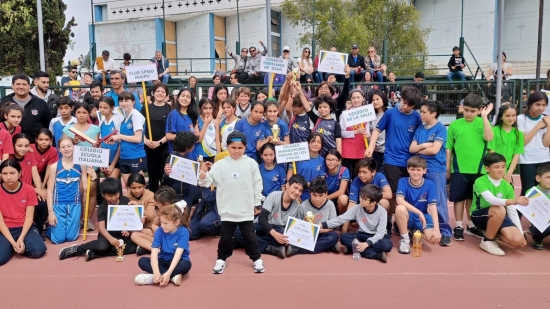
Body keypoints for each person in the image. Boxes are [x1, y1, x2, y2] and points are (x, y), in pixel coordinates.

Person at [198, 131, 264, 274]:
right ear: (227, 147)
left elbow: (257, 184)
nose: (237, 151)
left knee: (249, 235)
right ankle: (221, 259)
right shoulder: (220, 165)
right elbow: (208, 181)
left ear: (245, 147)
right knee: (226, 237)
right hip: (227, 208)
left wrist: (257, 203)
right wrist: (203, 176)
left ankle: (257, 259)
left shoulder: (252, 163)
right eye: (233, 147)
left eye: (240, 148)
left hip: (245, 208)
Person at [366, 87, 422, 235]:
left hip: (410, 162)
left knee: (406, 194)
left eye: (408, 105)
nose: (404, 106)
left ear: (414, 106)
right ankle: (390, 222)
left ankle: (402, 220)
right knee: (395, 193)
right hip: (391, 159)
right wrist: (371, 147)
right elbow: (377, 130)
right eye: (403, 102)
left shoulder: (416, 117)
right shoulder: (390, 113)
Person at [446, 94, 494, 241]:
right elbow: (449, 148)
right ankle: (459, 226)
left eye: (473, 111)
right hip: (459, 169)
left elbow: (489, 138)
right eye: (466, 110)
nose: (468, 113)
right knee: (459, 199)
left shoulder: (483, 123)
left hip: (479, 169)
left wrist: (485, 117)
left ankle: (471, 225)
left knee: (472, 199)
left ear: (480, 110)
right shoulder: (455, 125)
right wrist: (448, 167)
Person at [58, 178, 138, 261]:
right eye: (110, 196)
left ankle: (96, 253)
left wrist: (128, 229)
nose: (113, 198)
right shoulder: (102, 207)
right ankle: (77, 249)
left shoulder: (126, 201)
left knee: (133, 247)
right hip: (107, 234)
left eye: (116, 195)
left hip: (123, 234)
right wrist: (110, 239)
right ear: (103, 195)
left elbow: (132, 219)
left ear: (119, 192)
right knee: (102, 246)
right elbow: (101, 228)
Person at [409, 100, 451, 246]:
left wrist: (420, 149)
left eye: (424, 112)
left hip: (435, 169)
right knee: (417, 199)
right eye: (421, 111)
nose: (421, 114)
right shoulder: (420, 129)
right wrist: (425, 145)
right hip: (419, 169)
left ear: (433, 114)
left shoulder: (440, 129)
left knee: (438, 201)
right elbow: (411, 149)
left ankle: (445, 232)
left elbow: (435, 150)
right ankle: (416, 226)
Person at [235, 174, 307, 259]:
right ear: (287, 185)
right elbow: (262, 218)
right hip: (261, 226)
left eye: (300, 190)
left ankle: (245, 241)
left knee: (284, 238)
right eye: (295, 188)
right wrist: (274, 234)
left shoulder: (297, 207)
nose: (297, 192)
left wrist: (305, 222)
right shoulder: (274, 196)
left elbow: (293, 230)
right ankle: (268, 248)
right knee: (238, 230)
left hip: (278, 229)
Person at [471, 153, 527, 256]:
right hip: (479, 215)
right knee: (500, 209)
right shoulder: (480, 181)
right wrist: (514, 201)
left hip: (498, 216)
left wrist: (521, 233)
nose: (501, 170)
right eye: (496, 167)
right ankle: (487, 241)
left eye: (503, 166)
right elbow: (492, 200)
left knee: (518, 241)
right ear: (487, 168)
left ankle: (489, 231)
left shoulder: (507, 186)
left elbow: (512, 211)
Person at [322, 184, 392, 263]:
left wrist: (367, 244)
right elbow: (340, 219)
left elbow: (380, 233)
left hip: (378, 237)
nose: (361, 199)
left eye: (364, 199)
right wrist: (322, 225)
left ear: (373, 203)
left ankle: (353, 249)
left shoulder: (382, 212)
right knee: (344, 237)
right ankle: (375, 255)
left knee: (387, 245)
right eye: (360, 197)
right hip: (362, 235)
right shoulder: (357, 208)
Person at [46, 136, 92, 244]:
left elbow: (86, 188)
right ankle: (50, 229)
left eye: (69, 146)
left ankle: (64, 227)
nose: (66, 149)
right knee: (59, 240)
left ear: (74, 147)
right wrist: (50, 212)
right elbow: (49, 191)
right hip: (58, 205)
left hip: (75, 204)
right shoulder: (54, 166)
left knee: (71, 238)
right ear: (59, 149)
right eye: (63, 147)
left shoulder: (81, 165)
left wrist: (93, 176)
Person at [0, 159, 47, 266]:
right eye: (4, 173)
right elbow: (0, 222)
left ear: (20, 173)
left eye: (12, 173)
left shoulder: (29, 189)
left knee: (39, 251)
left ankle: (16, 245)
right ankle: (12, 246)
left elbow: (29, 218)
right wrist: (13, 242)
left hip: (24, 227)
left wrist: (21, 238)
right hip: (4, 229)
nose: (8, 177)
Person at [134, 204, 192, 286]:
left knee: (187, 264)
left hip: (178, 261)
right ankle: (171, 277)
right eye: (161, 222)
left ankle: (153, 278)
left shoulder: (184, 232)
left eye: (166, 223)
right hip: (163, 260)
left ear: (177, 222)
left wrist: (168, 273)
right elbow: (154, 253)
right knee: (142, 261)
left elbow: (178, 254)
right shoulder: (159, 231)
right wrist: (156, 271)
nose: (162, 225)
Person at [394, 156, 441, 254]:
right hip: (408, 215)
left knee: (433, 239)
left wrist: (437, 229)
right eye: (412, 169)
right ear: (408, 170)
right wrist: (419, 212)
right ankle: (405, 239)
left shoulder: (430, 184)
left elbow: (432, 207)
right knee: (400, 208)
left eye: (419, 170)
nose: (415, 173)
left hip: (423, 217)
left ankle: (414, 232)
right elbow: (399, 200)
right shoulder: (403, 181)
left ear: (424, 171)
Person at [286, 177, 340, 256]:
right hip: (307, 235)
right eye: (314, 195)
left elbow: (333, 227)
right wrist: (305, 222)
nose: (317, 199)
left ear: (326, 194)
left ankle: (300, 250)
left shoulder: (330, 205)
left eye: (321, 195)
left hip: (323, 234)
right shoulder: (303, 205)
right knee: (295, 239)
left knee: (334, 236)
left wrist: (318, 230)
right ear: (310, 193)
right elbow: (296, 229)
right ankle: (327, 246)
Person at [11, 133, 47, 237]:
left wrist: (39, 190)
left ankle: (37, 230)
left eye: (26, 146)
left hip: (30, 191)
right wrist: (36, 190)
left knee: (43, 203)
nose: (23, 149)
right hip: (16, 193)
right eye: (19, 146)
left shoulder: (29, 154)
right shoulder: (10, 158)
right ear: (13, 145)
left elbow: (35, 174)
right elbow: (15, 182)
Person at [107, 91, 148, 185]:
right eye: (121, 101)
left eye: (127, 100)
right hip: (124, 156)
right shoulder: (125, 117)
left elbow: (138, 138)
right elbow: (126, 138)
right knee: (129, 189)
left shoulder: (136, 115)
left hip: (136, 156)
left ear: (133, 102)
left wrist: (119, 136)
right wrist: (116, 140)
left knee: (138, 188)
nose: (123, 103)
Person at [516, 92, 550, 196]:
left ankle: (543, 212)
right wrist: (538, 126)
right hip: (527, 161)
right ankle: (518, 213)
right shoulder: (520, 119)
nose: (540, 108)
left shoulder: (546, 119)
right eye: (538, 104)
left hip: (544, 159)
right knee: (528, 190)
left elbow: (546, 144)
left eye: (544, 105)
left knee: (544, 190)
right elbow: (523, 142)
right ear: (530, 104)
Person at [345, 158, 391, 234]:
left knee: (384, 202)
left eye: (364, 172)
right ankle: (363, 224)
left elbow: (389, 194)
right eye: (359, 172)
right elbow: (352, 204)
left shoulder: (379, 176)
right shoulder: (356, 180)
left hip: (375, 206)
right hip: (362, 207)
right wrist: (345, 227)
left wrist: (370, 198)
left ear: (373, 172)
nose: (361, 175)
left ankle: (382, 227)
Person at [0, 73, 52, 140]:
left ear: (29, 86)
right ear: (12, 85)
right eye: (18, 84)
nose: (21, 87)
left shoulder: (41, 103)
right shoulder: (4, 103)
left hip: (35, 145)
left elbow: (48, 124)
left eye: (24, 84)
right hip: (10, 144)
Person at [131, 186, 179, 255]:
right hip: (163, 238)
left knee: (153, 228)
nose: (156, 205)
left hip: (172, 241)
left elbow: (159, 228)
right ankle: (157, 250)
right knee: (134, 235)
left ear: (166, 204)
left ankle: (156, 250)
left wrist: (153, 231)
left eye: (158, 203)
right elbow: (155, 224)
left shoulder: (175, 213)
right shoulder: (163, 211)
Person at [141, 83, 171, 192]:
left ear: (166, 95)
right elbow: (139, 127)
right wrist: (145, 140)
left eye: (163, 92)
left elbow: (171, 130)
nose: (160, 93)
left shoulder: (170, 109)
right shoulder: (146, 108)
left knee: (165, 176)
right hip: (149, 147)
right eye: (158, 91)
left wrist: (159, 143)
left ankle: (164, 202)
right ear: (153, 93)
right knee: (153, 177)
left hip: (164, 147)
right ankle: (153, 202)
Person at [162, 132, 202, 207]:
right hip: (176, 194)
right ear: (188, 147)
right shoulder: (172, 158)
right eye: (192, 144)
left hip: (186, 192)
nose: (193, 146)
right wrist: (167, 174)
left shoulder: (187, 156)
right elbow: (165, 180)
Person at [488, 104, 524, 184]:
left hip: (507, 171)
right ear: (501, 117)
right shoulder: (493, 131)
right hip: (493, 171)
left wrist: (508, 173)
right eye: (507, 116)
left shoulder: (519, 134)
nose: (511, 118)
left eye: (513, 115)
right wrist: (501, 172)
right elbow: (491, 152)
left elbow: (516, 155)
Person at [286, 133, 326, 202]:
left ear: (321, 145)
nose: (315, 144)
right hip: (295, 190)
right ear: (308, 143)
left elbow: (320, 181)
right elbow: (289, 174)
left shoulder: (323, 161)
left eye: (319, 142)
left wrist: (306, 185)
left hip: (313, 193)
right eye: (313, 141)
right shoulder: (298, 155)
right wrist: (294, 191)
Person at [340, 89, 369, 176]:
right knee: (347, 177)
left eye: (358, 97)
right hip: (347, 152)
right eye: (353, 98)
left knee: (359, 176)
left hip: (361, 151)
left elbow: (369, 132)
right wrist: (355, 132)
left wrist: (368, 136)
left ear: (363, 99)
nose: (356, 100)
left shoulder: (367, 113)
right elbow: (341, 133)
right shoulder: (345, 114)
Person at [165, 88, 199, 154]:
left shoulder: (192, 116)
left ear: (191, 100)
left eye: (188, 97)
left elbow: (197, 136)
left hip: (192, 154)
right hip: (179, 156)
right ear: (178, 98)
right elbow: (168, 136)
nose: (185, 98)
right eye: (183, 96)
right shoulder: (173, 114)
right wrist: (187, 137)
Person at [97, 96, 122, 182]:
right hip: (105, 160)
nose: (102, 110)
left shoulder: (117, 121)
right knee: (110, 188)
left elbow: (121, 143)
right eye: (100, 107)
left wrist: (113, 164)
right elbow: (100, 142)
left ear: (112, 108)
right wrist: (101, 162)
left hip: (116, 159)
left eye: (105, 108)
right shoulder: (101, 122)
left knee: (112, 183)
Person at [527, 163, 550, 249]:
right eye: (548, 177)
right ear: (538, 178)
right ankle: (537, 238)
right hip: (540, 221)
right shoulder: (531, 192)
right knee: (540, 229)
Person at [30, 129, 58, 194]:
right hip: (29, 176)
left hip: (41, 176)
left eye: (46, 139)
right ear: (36, 140)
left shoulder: (53, 151)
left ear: (51, 140)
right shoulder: (30, 148)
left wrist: (42, 186)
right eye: (40, 139)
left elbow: (49, 169)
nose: (43, 142)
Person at [324, 149, 350, 215]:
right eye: (328, 159)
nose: (330, 162)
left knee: (343, 198)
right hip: (326, 200)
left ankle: (341, 219)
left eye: (333, 160)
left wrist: (324, 198)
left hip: (337, 200)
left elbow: (341, 191)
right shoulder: (323, 170)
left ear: (339, 161)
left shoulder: (343, 170)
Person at [369, 90, 388, 173]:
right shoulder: (371, 115)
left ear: (383, 99)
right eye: (373, 100)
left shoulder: (389, 113)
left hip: (387, 150)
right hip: (375, 151)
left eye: (377, 99)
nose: (375, 102)